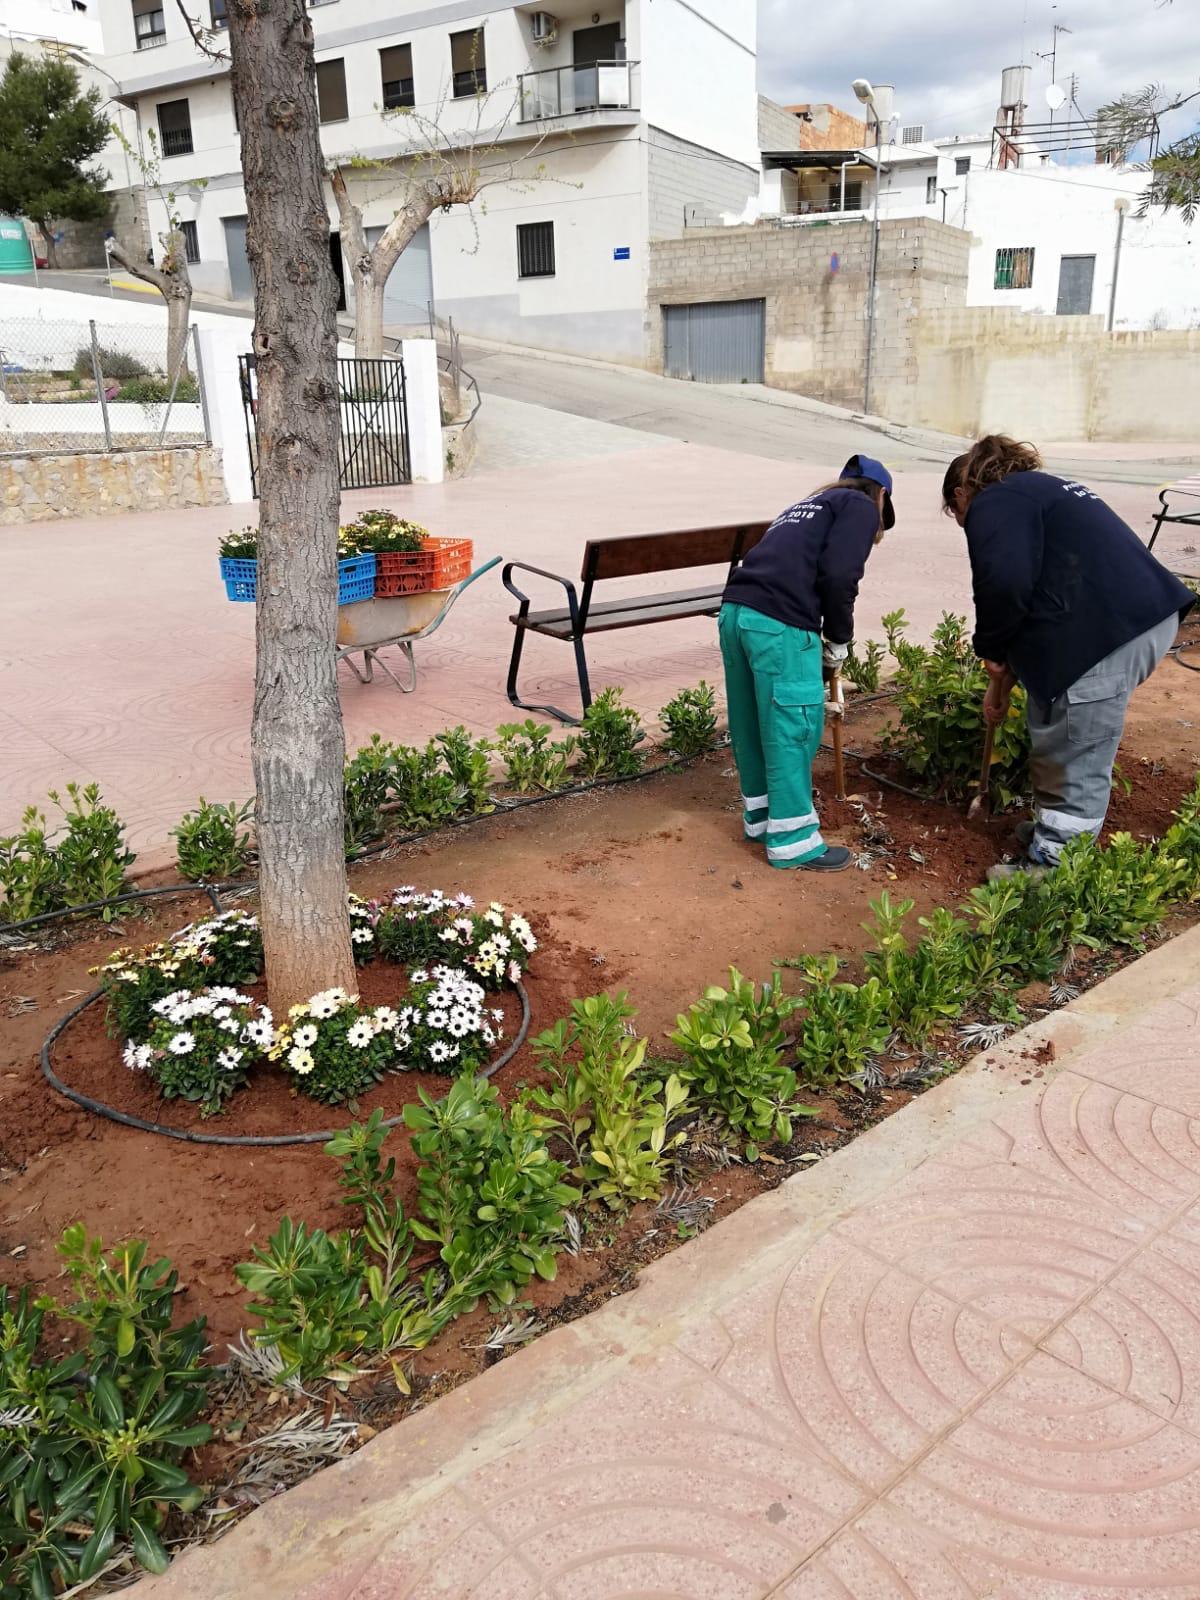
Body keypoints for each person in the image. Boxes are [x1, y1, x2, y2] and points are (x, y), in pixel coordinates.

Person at [943, 435, 1194, 881]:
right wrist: (1002, 682)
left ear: (962, 494)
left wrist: (992, 651)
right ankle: (1054, 832)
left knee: (1077, 745)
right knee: (1055, 725)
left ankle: (1055, 867)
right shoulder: (1040, 491)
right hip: (1129, 620)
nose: (965, 524)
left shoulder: (994, 502)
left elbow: (1004, 585)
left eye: (958, 514)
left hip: (1105, 634)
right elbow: (1031, 590)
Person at [719, 454, 895, 873]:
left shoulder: (809, 505)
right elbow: (840, 576)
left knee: (752, 724)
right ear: (881, 495)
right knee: (791, 727)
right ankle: (793, 841)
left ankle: (762, 821)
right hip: (778, 624)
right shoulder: (859, 506)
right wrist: (839, 638)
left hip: (736, 613)